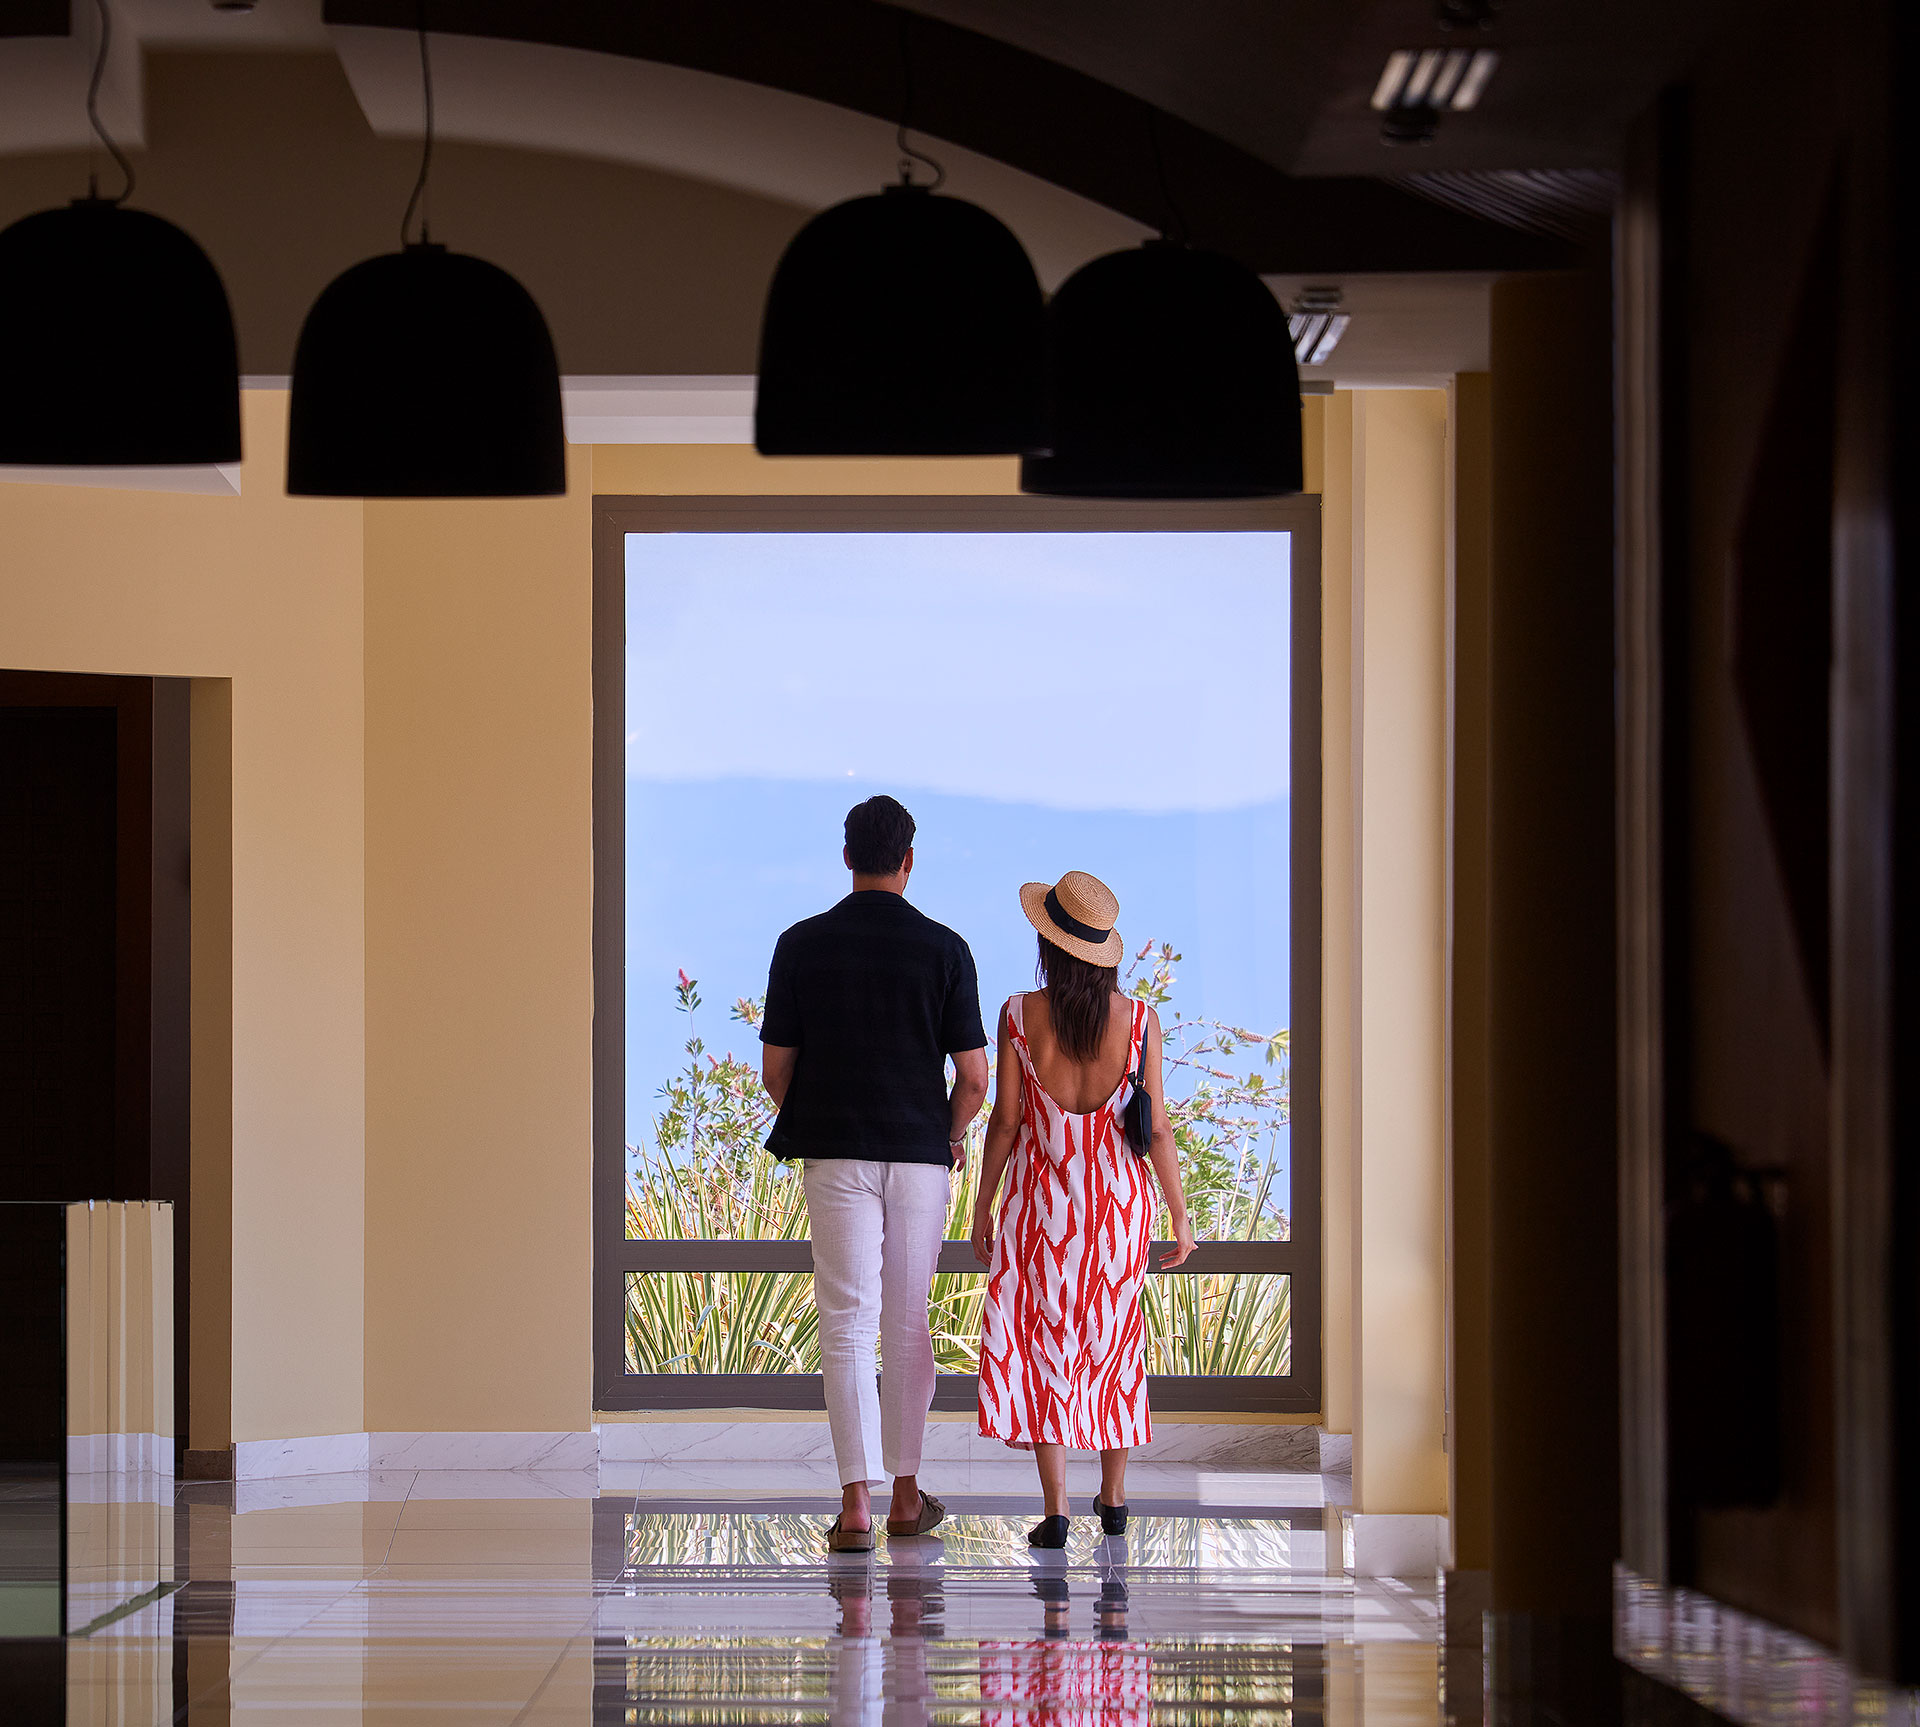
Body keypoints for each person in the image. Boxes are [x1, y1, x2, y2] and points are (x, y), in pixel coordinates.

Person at [760, 795, 990, 1552]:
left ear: (848, 856)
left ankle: (854, 1505)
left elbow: (776, 1069)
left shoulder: (800, 944)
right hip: (920, 1157)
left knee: (846, 1322)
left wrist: (826, 1117)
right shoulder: (946, 949)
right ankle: (905, 1495)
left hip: (836, 1157)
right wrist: (947, 1132)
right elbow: (975, 1077)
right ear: (909, 859)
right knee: (907, 1319)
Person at [970, 869, 1196, 1548]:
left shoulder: (1018, 1015)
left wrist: (983, 1204)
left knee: (1044, 1345)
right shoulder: (1142, 1022)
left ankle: (1056, 1507)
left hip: (1042, 1206)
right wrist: (1180, 1215)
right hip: (1116, 1209)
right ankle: (1116, 1495)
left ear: (1049, 944)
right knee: (1114, 1339)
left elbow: (1006, 1122)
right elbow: (1155, 1128)